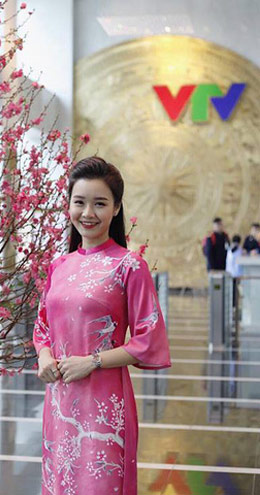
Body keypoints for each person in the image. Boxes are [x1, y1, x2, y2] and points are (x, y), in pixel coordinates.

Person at [33, 156, 171, 495]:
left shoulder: (130, 266)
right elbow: (42, 326)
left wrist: (92, 362)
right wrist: (44, 356)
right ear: (69, 205)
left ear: (116, 207)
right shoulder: (59, 266)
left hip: (104, 406)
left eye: (100, 203)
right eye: (79, 202)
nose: (88, 213)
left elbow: (149, 339)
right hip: (60, 402)